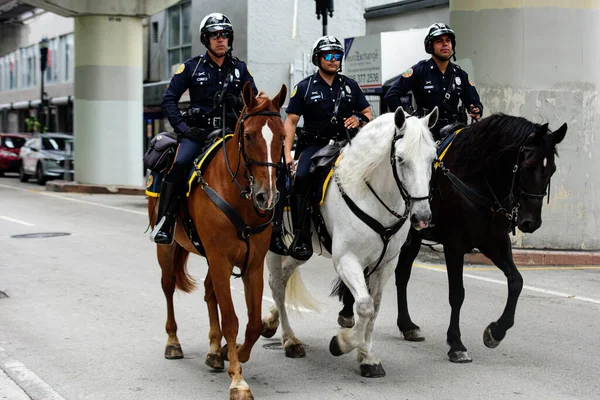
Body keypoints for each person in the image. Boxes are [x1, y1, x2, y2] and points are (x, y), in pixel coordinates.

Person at [151, 12, 258, 245]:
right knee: (179, 164)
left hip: (231, 134)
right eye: (214, 35)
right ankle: (165, 222)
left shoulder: (241, 69)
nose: (220, 39)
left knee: (264, 165)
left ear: (230, 39)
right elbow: (169, 99)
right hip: (198, 134)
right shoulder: (191, 67)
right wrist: (182, 128)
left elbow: (254, 103)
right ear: (205, 39)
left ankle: (272, 225)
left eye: (225, 35)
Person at [284, 35, 373, 260]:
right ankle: (301, 236)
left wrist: (359, 119)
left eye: (337, 56)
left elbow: (368, 115)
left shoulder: (351, 85)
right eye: (328, 56)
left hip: (347, 145)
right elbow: (291, 121)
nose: (334, 60)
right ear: (317, 59)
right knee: (302, 178)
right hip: (315, 147)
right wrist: (287, 153)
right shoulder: (304, 87)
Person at [384, 23, 483, 140]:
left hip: (454, 134)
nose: (445, 44)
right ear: (430, 46)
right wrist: (407, 121)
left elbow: (474, 102)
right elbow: (391, 95)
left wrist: (477, 110)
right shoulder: (419, 71)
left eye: (448, 40)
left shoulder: (460, 75)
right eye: (439, 41)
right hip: (425, 135)